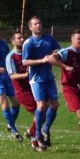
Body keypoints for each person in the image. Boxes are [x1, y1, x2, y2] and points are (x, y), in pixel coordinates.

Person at [21, 16, 64, 151]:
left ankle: (45, 129)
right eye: (35, 24)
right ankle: (37, 132)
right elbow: (25, 62)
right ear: (30, 27)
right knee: (41, 105)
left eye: (39, 23)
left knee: (55, 104)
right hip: (36, 79)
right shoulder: (29, 43)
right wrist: (42, 60)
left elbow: (59, 51)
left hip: (49, 77)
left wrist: (56, 55)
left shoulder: (49, 39)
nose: (38, 25)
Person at [5, 31, 37, 141]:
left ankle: (32, 133)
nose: (22, 40)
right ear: (13, 41)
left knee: (43, 112)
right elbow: (13, 76)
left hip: (34, 87)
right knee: (39, 113)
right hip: (22, 91)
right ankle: (34, 137)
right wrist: (26, 74)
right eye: (19, 38)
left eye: (23, 37)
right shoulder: (11, 57)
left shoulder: (27, 53)